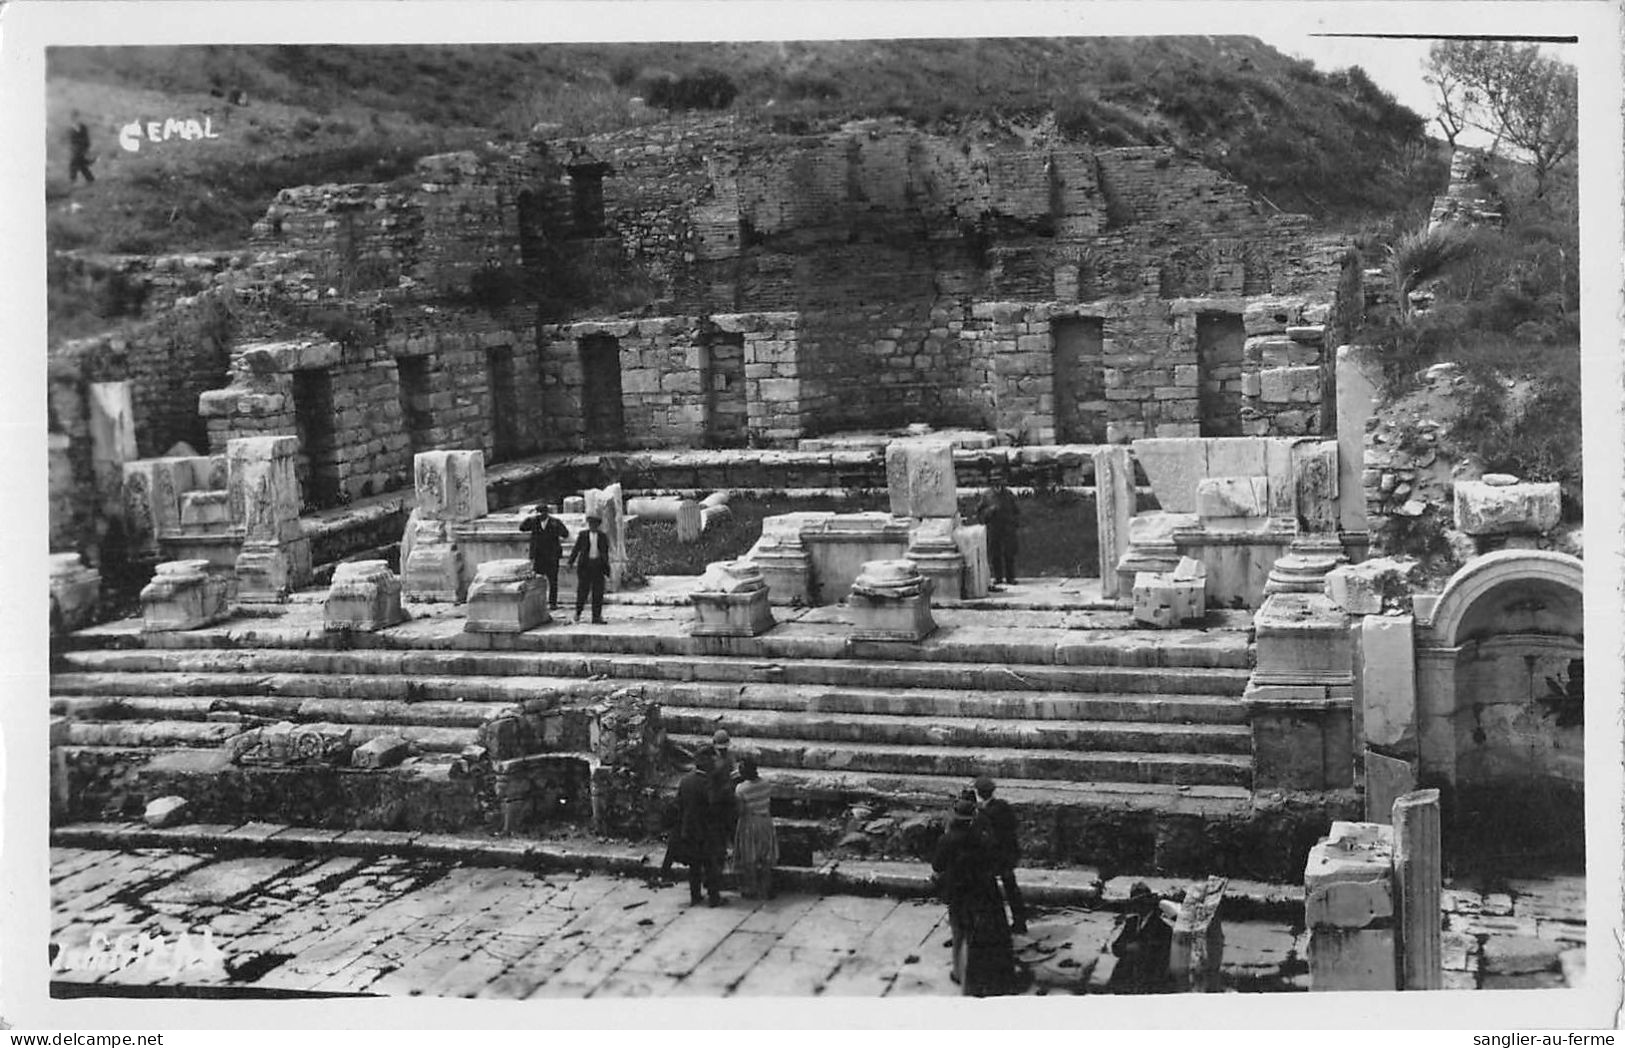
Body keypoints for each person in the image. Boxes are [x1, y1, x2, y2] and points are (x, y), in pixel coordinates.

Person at [931, 797, 1028, 996]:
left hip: (956, 894)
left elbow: (937, 866)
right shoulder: (980, 839)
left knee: (958, 934)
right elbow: (992, 862)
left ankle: (958, 973)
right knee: (975, 939)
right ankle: (973, 981)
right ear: (972, 817)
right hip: (979, 893)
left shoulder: (946, 839)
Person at [670, 748, 726, 907]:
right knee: (711, 865)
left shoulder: (686, 780)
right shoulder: (708, 783)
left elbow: (678, 804)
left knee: (694, 866)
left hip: (690, 829)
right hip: (707, 831)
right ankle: (714, 897)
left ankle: (695, 896)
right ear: (706, 762)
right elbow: (714, 806)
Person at [972, 776, 1027, 934]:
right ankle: (1020, 922)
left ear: (980, 793)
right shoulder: (1003, 805)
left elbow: (984, 837)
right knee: (1012, 889)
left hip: (995, 857)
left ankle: (996, 926)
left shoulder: (984, 813)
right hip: (1009, 854)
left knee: (992, 892)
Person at [1108, 881, 1174, 993]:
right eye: (1135, 902)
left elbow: (1161, 960)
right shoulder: (1131, 922)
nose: (1137, 906)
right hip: (1125, 978)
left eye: (1140, 902)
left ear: (1148, 903)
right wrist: (1127, 947)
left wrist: (1140, 949)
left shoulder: (1162, 928)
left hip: (1147, 981)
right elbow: (1116, 947)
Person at [731, 757, 778, 900]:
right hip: (766, 821)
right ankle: (766, 888)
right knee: (766, 857)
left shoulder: (741, 789)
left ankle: (751, 888)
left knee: (749, 857)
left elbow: (740, 810)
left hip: (750, 823)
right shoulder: (766, 784)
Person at [518, 503, 569, 609]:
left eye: (542, 512)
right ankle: (537, 602)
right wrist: (530, 517)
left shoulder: (555, 522)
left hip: (552, 556)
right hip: (538, 556)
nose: (540, 515)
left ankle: (553, 603)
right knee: (536, 580)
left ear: (547, 513)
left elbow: (565, 533)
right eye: (538, 512)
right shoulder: (533, 521)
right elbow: (522, 528)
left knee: (553, 581)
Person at [976, 470, 1019, 588]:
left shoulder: (1009, 494)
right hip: (993, 527)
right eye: (995, 480)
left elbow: (1016, 510)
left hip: (1007, 527)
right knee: (995, 553)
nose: (998, 483)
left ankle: (1011, 577)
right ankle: (998, 577)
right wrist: (990, 511)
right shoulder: (986, 496)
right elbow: (979, 511)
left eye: (1000, 480)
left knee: (1009, 552)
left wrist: (1014, 522)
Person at [567, 513, 611, 623]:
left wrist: (607, 567)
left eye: (595, 524)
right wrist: (570, 562)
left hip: (598, 566)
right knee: (582, 591)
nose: (593, 526)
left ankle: (596, 616)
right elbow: (576, 549)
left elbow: (605, 553)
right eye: (591, 524)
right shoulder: (583, 535)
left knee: (598, 592)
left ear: (598, 525)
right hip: (585, 566)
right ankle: (578, 613)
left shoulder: (602, 536)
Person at [67, 113, 95, 185]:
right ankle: (89, 179)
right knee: (80, 164)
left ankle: (74, 180)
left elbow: (86, 138)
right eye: (75, 118)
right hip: (76, 149)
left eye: (78, 117)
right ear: (73, 119)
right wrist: (74, 148)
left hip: (83, 148)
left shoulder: (83, 127)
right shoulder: (71, 129)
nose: (77, 119)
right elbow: (71, 141)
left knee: (76, 164)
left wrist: (87, 148)